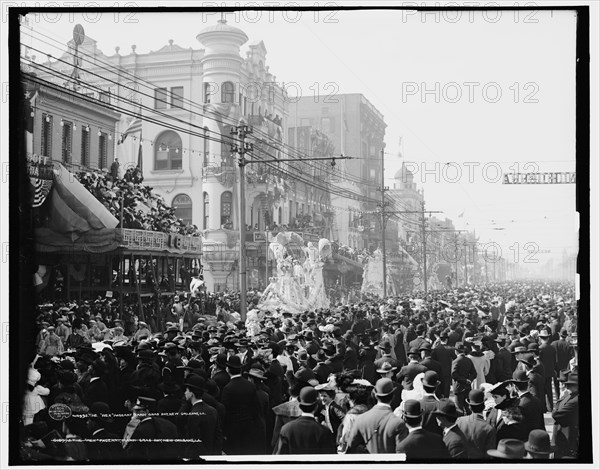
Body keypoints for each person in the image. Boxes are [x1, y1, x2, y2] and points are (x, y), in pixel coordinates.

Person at [346, 378, 408, 454]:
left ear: (375, 396)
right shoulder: (398, 423)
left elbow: (350, 445)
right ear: (393, 396)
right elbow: (402, 452)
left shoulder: (360, 419)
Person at [273, 386, 336, 454]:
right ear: (316, 407)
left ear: (300, 406)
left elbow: (279, 457)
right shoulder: (324, 431)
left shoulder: (286, 429)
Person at [220, 355, 262, 455]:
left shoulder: (228, 388)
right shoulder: (250, 385)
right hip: (248, 427)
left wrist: (224, 431)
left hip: (233, 429)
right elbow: (256, 408)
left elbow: (224, 411)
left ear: (228, 369)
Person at [181, 374, 222, 457]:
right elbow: (218, 437)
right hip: (213, 455)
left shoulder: (194, 415)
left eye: (187, 390)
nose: (185, 392)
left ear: (192, 393)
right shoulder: (212, 410)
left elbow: (194, 443)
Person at [455, 389, 497, 458]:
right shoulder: (489, 428)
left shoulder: (459, 421)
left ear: (469, 407)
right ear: (484, 407)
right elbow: (490, 454)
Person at [552, 372, 579, 458]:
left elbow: (556, 414)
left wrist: (558, 404)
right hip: (562, 434)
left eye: (570, 385)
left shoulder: (574, 400)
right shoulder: (570, 396)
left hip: (567, 436)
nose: (567, 387)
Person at [510, 369, 545, 435]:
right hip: (537, 436)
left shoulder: (518, 405)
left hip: (525, 438)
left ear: (515, 387)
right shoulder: (537, 400)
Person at [451, 342, 476, 415]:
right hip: (467, 387)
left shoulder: (455, 361)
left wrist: (464, 380)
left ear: (456, 351)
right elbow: (474, 373)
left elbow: (453, 375)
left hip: (459, 387)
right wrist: (469, 380)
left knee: (459, 408)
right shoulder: (468, 360)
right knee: (468, 407)